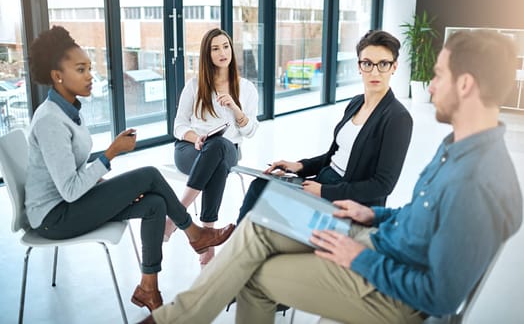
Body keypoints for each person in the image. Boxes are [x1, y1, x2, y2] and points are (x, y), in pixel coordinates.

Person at [139, 29, 523, 324]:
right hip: (377, 237)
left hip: (388, 285)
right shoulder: (459, 144)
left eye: (438, 74)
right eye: (367, 63)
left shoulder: (478, 182)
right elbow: (422, 212)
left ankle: (175, 314)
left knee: (254, 274)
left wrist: (360, 257)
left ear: (466, 84)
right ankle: (174, 314)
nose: (431, 85)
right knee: (258, 226)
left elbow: (438, 296)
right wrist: (375, 217)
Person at [24, 26, 235, 313]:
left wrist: (115, 191)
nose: (90, 76)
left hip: (73, 203)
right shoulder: (50, 120)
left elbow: (74, 173)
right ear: (57, 76)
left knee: (155, 204)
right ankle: (194, 233)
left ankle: (148, 288)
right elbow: (70, 190)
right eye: (80, 69)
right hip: (55, 217)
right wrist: (111, 153)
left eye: (89, 67)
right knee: (148, 175)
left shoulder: (70, 110)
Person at [236, 30, 413, 223]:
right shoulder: (356, 103)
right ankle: (237, 247)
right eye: (368, 63)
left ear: (394, 67)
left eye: (383, 64)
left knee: (266, 204)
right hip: (324, 180)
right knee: (260, 185)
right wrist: (300, 166)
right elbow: (336, 155)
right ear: (359, 66)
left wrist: (324, 191)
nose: (375, 72)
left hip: (347, 200)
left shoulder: (398, 117)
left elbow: (382, 185)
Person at [164, 28, 259, 265]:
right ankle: (207, 235)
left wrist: (236, 109)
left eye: (225, 46)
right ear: (207, 54)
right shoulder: (195, 85)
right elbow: (178, 125)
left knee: (217, 147)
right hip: (191, 149)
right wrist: (195, 137)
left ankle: (176, 216)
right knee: (213, 159)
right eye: (215, 48)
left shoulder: (246, 88)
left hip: (228, 149)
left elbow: (250, 131)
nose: (222, 52)